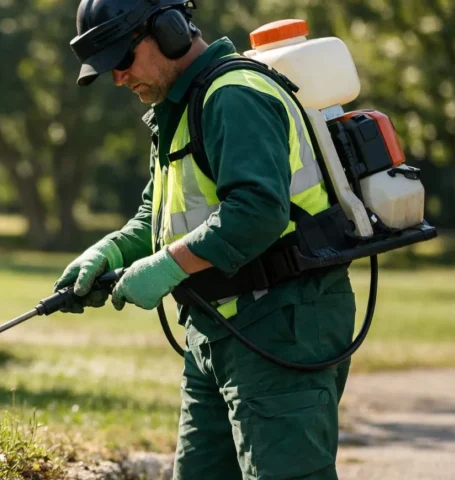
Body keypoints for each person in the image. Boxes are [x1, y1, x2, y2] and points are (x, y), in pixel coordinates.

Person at [55, 0, 356, 478]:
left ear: (169, 31)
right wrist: (109, 251)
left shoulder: (234, 96)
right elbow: (155, 216)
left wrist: (168, 266)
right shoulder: (178, 110)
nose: (118, 78)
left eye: (122, 60)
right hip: (217, 330)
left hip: (282, 320)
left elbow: (256, 212)